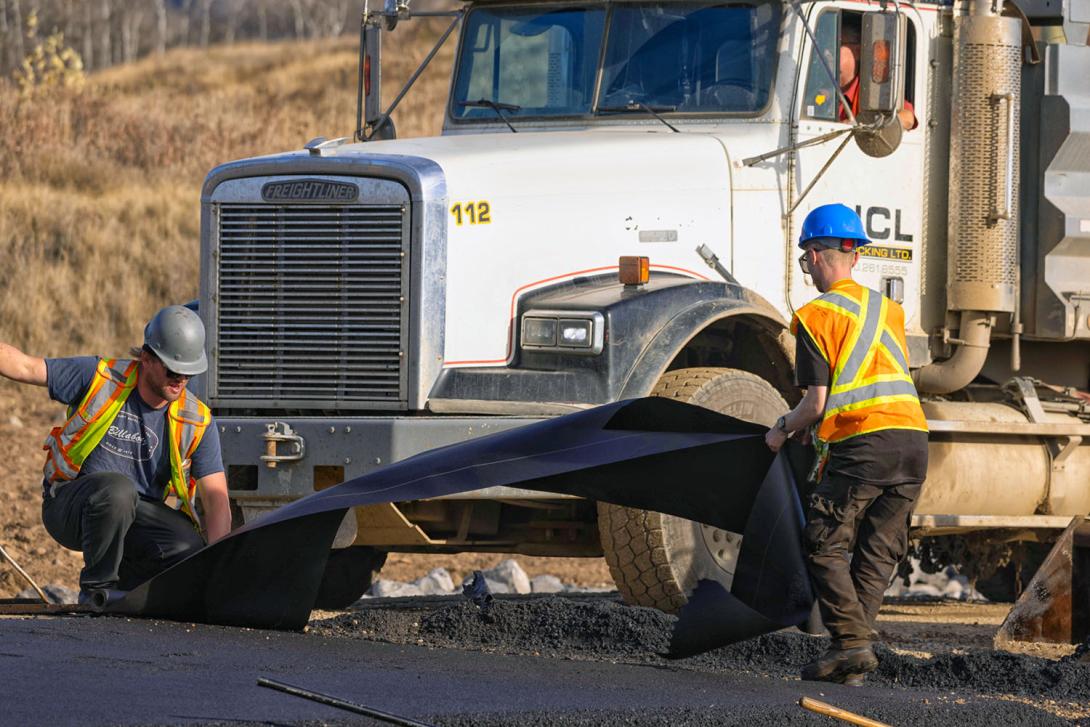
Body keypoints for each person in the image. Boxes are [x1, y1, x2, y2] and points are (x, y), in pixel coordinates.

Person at [765, 203, 928, 685]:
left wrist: (780, 430)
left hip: (865, 441)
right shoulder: (890, 310)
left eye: (806, 258)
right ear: (854, 253)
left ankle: (852, 645)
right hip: (914, 441)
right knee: (878, 551)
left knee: (824, 544)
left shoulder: (816, 316)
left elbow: (815, 404)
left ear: (815, 255)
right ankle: (851, 655)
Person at [0, 305, 230, 604]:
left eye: (188, 373)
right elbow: (27, 367)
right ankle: (98, 592)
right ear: (146, 358)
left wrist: (219, 571)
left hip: (133, 514)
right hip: (71, 506)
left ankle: (127, 589)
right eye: (173, 371)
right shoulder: (101, 378)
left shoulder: (196, 419)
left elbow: (216, 498)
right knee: (118, 490)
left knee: (186, 545)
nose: (180, 381)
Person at [838, 22, 917, 131]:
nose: (828, 51)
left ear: (858, 50)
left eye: (837, 43)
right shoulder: (818, 90)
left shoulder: (874, 90)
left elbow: (908, 118)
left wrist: (865, 125)